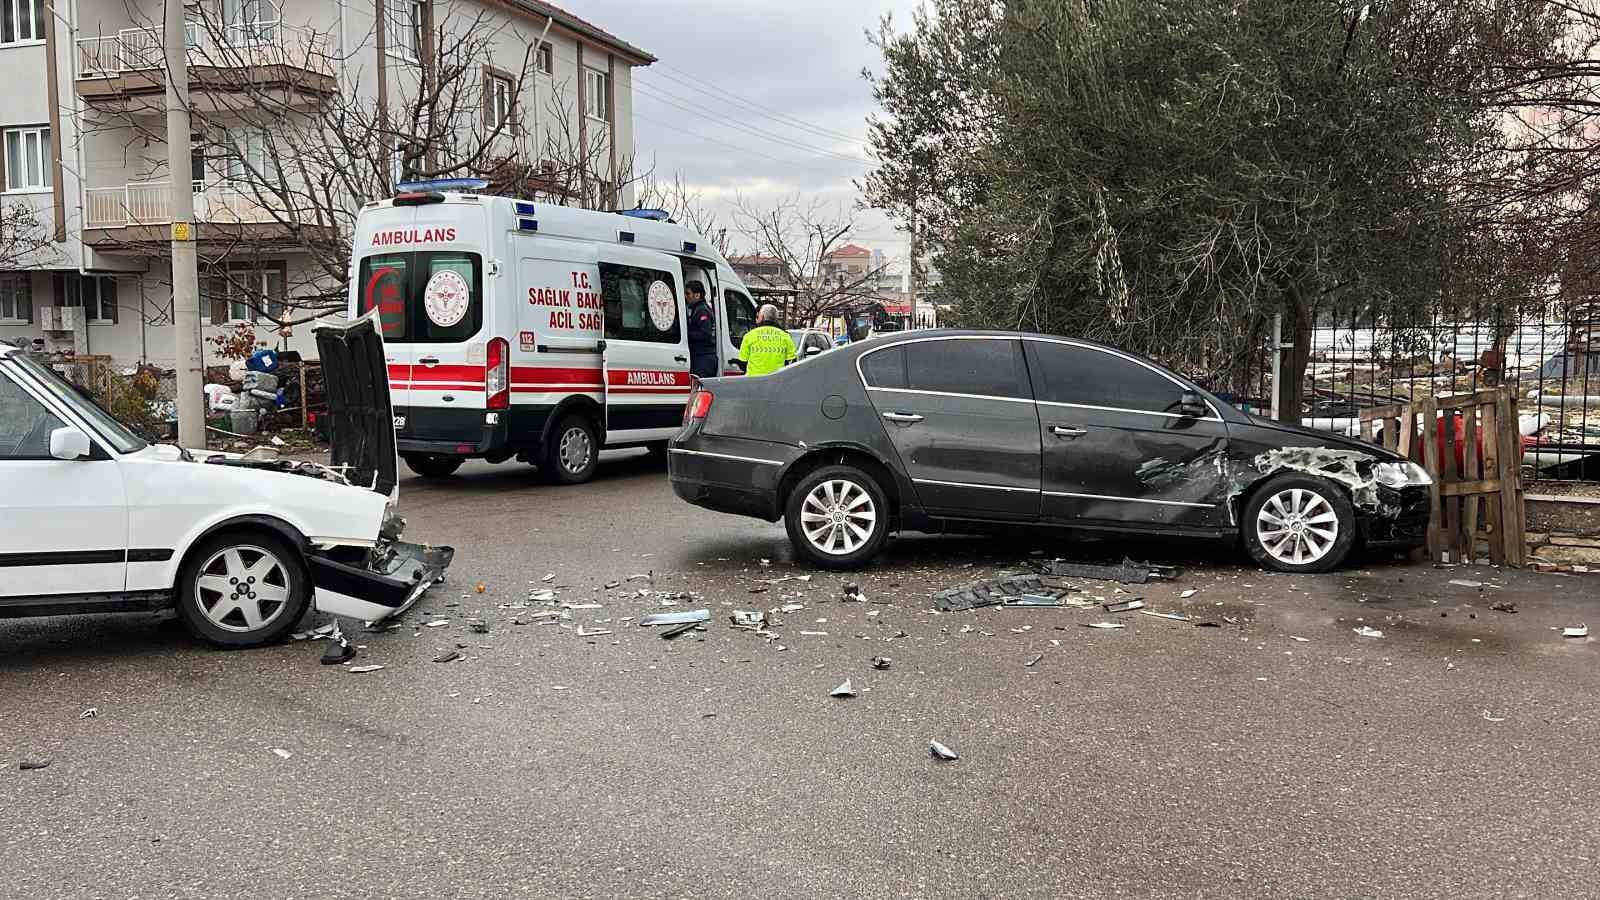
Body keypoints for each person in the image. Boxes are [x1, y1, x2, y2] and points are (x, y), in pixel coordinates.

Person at [736, 304, 798, 376]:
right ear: (776, 318)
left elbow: (742, 364)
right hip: (777, 382)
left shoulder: (749, 336)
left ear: (762, 317)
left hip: (754, 382)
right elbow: (792, 362)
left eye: (757, 316)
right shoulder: (786, 336)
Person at [685, 282, 718, 379]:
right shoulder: (697, 309)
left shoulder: (702, 310)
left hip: (703, 359)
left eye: (688, 294)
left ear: (697, 295)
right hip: (701, 357)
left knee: (699, 390)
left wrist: (686, 335)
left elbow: (705, 333)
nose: (686, 297)